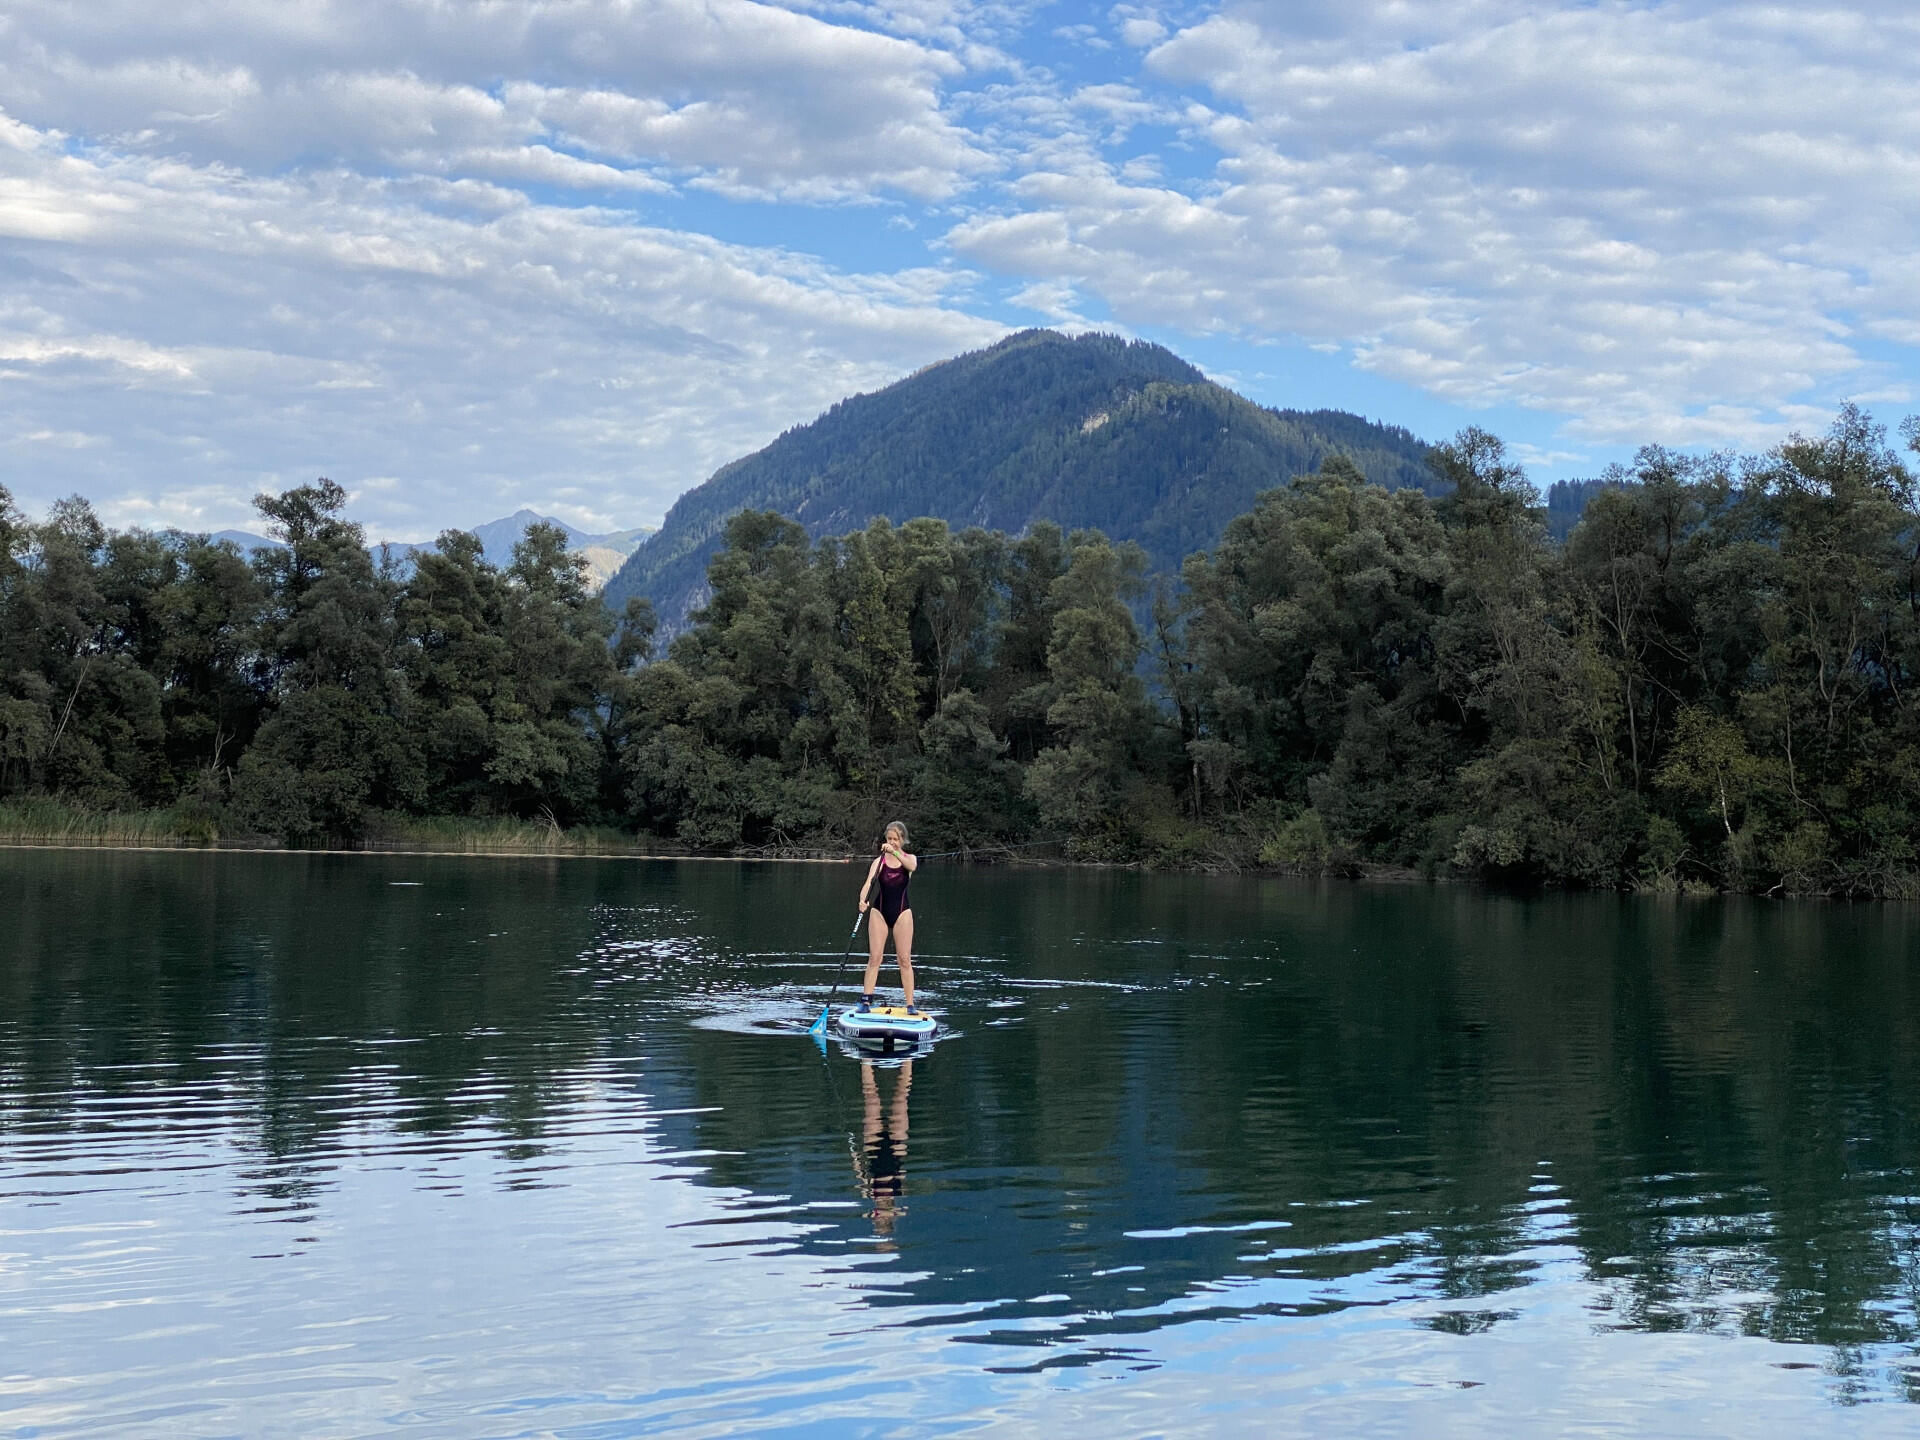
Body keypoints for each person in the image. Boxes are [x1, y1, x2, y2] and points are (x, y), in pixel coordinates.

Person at [856, 820, 917, 1013]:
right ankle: (866, 1000)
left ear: (902, 840)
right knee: (875, 958)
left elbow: (912, 867)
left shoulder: (909, 859)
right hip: (879, 912)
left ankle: (910, 1004)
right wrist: (862, 900)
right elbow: (868, 884)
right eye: (889, 839)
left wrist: (895, 851)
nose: (891, 842)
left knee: (904, 959)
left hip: (902, 913)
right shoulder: (879, 862)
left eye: (895, 839)